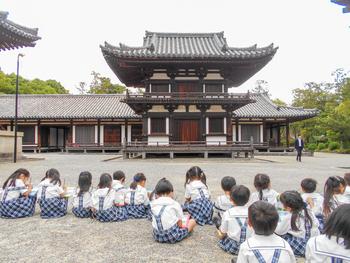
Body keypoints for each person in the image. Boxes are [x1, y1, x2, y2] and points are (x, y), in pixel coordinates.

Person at [150, 178, 196, 243]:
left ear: (156, 194)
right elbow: (180, 224)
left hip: (157, 236)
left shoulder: (153, 204)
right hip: (172, 236)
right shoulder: (174, 203)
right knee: (193, 221)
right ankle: (186, 233)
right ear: (171, 192)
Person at [275, 191, 320, 256]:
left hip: (302, 247)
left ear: (288, 208)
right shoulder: (308, 210)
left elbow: (279, 231)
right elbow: (317, 223)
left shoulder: (290, 217)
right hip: (314, 243)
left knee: (280, 236)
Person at [218, 185, 252, 255]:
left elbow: (223, 231)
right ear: (248, 199)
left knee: (220, 231)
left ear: (231, 199)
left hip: (233, 246)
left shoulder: (228, 213)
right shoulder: (252, 212)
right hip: (249, 245)